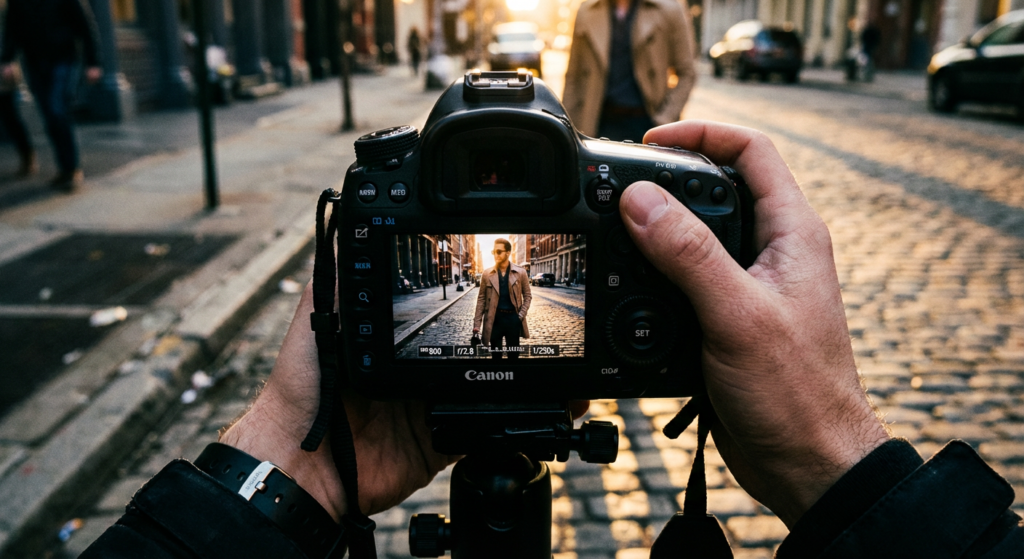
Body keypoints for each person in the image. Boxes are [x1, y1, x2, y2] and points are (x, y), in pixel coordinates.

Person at [81, 121, 1022, 557]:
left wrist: (271, 488)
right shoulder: (499, 274)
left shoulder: (519, 274)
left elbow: (519, 299)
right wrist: (309, 453)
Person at [0, 0, 102, 192]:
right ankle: (64, 169)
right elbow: (12, 28)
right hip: (35, 62)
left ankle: (72, 169)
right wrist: (7, 59)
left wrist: (93, 62)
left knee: (57, 109)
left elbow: (85, 26)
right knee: (48, 114)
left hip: (63, 59)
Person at [562, 0, 697, 142]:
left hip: (648, 126)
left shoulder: (670, 9)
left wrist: (664, 119)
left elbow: (687, 73)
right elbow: (573, 76)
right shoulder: (586, 10)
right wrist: (568, 127)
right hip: (597, 124)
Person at [472, 238, 532, 359]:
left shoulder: (520, 272)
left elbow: (528, 296)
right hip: (494, 320)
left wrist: (520, 316)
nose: (496, 255)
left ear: (508, 252)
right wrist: (477, 324)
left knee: (514, 355)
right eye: (494, 252)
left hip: (513, 319)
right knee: (496, 356)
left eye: (499, 251)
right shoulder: (487, 273)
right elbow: (481, 300)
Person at [0, 60, 34, 178]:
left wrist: (9, 63)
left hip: (4, 72)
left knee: (10, 118)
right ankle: (27, 156)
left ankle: (27, 155)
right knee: (10, 118)